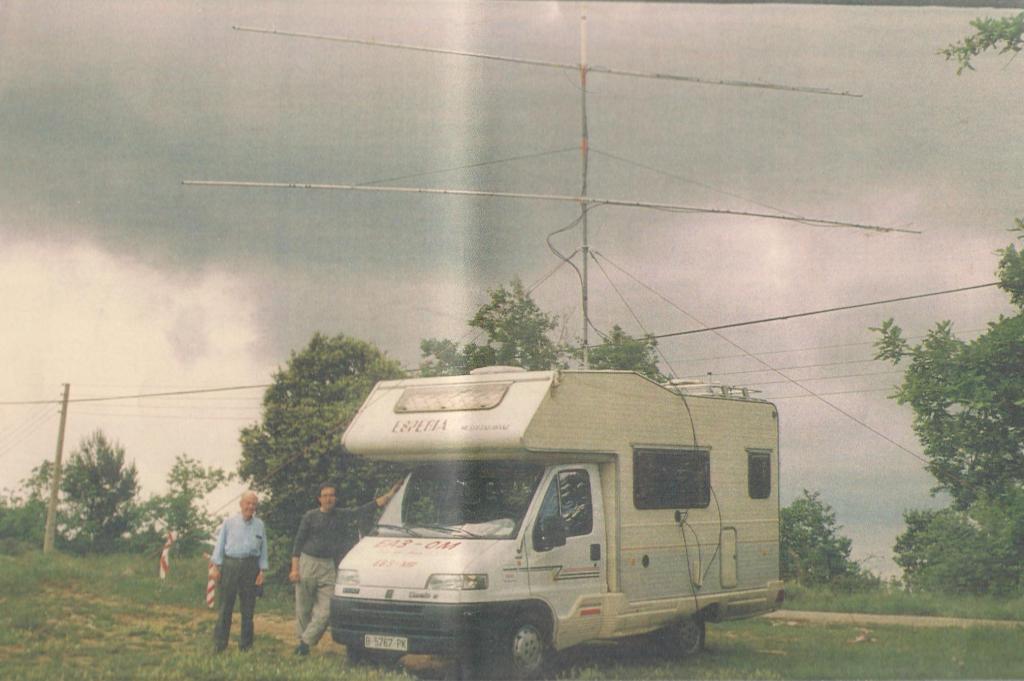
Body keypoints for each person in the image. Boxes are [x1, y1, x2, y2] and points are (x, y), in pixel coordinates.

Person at [290, 480, 403, 656]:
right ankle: (302, 647)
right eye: (325, 496)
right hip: (307, 563)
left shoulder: (340, 515)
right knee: (303, 608)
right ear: (319, 499)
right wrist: (295, 569)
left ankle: (306, 642)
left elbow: (364, 509)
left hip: (328, 566)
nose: (328, 499)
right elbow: (297, 544)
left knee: (327, 610)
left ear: (335, 498)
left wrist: (389, 495)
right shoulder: (310, 516)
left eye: (331, 495)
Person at [210, 491, 268, 653]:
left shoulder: (260, 525)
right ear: (241, 504)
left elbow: (264, 549)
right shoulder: (229, 522)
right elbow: (220, 545)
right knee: (225, 607)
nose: (251, 507)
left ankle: (246, 646)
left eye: (254, 504)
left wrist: (262, 571)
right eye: (248, 503)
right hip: (231, 566)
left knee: (248, 609)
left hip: (251, 567)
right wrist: (215, 566)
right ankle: (220, 645)